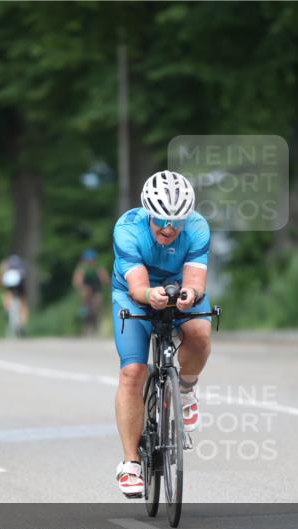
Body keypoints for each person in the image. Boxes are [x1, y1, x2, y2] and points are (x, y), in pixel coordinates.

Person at [112, 170, 213, 497]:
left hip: (179, 287)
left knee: (199, 331)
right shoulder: (128, 228)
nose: (169, 229)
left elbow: (196, 280)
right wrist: (149, 296)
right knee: (132, 372)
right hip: (132, 294)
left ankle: (185, 389)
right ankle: (130, 464)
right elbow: (138, 285)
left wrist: (191, 296)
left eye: (177, 222)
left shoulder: (197, 228)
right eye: (162, 222)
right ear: (149, 214)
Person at [72, 249, 110, 335]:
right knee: (85, 297)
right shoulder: (82, 268)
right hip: (86, 287)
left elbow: (104, 278)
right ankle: (84, 313)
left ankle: (97, 322)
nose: (90, 262)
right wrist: (82, 286)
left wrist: (107, 283)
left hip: (96, 288)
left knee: (98, 303)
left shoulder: (98, 267)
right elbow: (77, 280)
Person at [0, 254, 29, 335]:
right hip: (19, 280)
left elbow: (0, 275)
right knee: (23, 302)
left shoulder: (5, 263)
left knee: (8, 293)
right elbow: (25, 276)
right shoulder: (22, 264)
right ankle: (21, 324)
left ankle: (7, 308)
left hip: (9, 278)